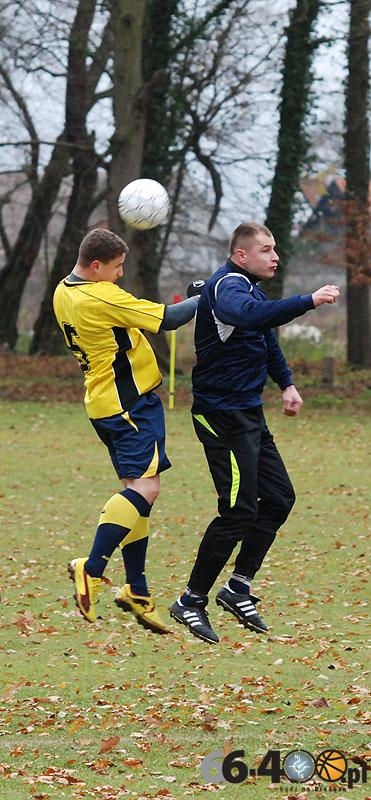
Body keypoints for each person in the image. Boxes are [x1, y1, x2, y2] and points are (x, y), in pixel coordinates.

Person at [170, 221, 340, 644]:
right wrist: (308, 301)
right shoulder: (228, 285)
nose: (275, 256)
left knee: (279, 498)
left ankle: (238, 586)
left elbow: (264, 337)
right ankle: (190, 601)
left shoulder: (250, 289)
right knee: (238, 511)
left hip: (248, 414)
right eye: (266, 249)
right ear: (241, 255)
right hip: (221, 416)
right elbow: (247, 316)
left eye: (275, 248)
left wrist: (287, 384)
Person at [53, 227, 199, 633]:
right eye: (117, 267)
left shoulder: (64, 290)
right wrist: (211, 293)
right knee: (146, 489)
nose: (120, 274)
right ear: (96, 266)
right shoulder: (101, 295)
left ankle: (137, 589)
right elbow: (168, 319)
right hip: (129, 404)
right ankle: (92, 566)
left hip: (103, 402)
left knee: (139, 493)